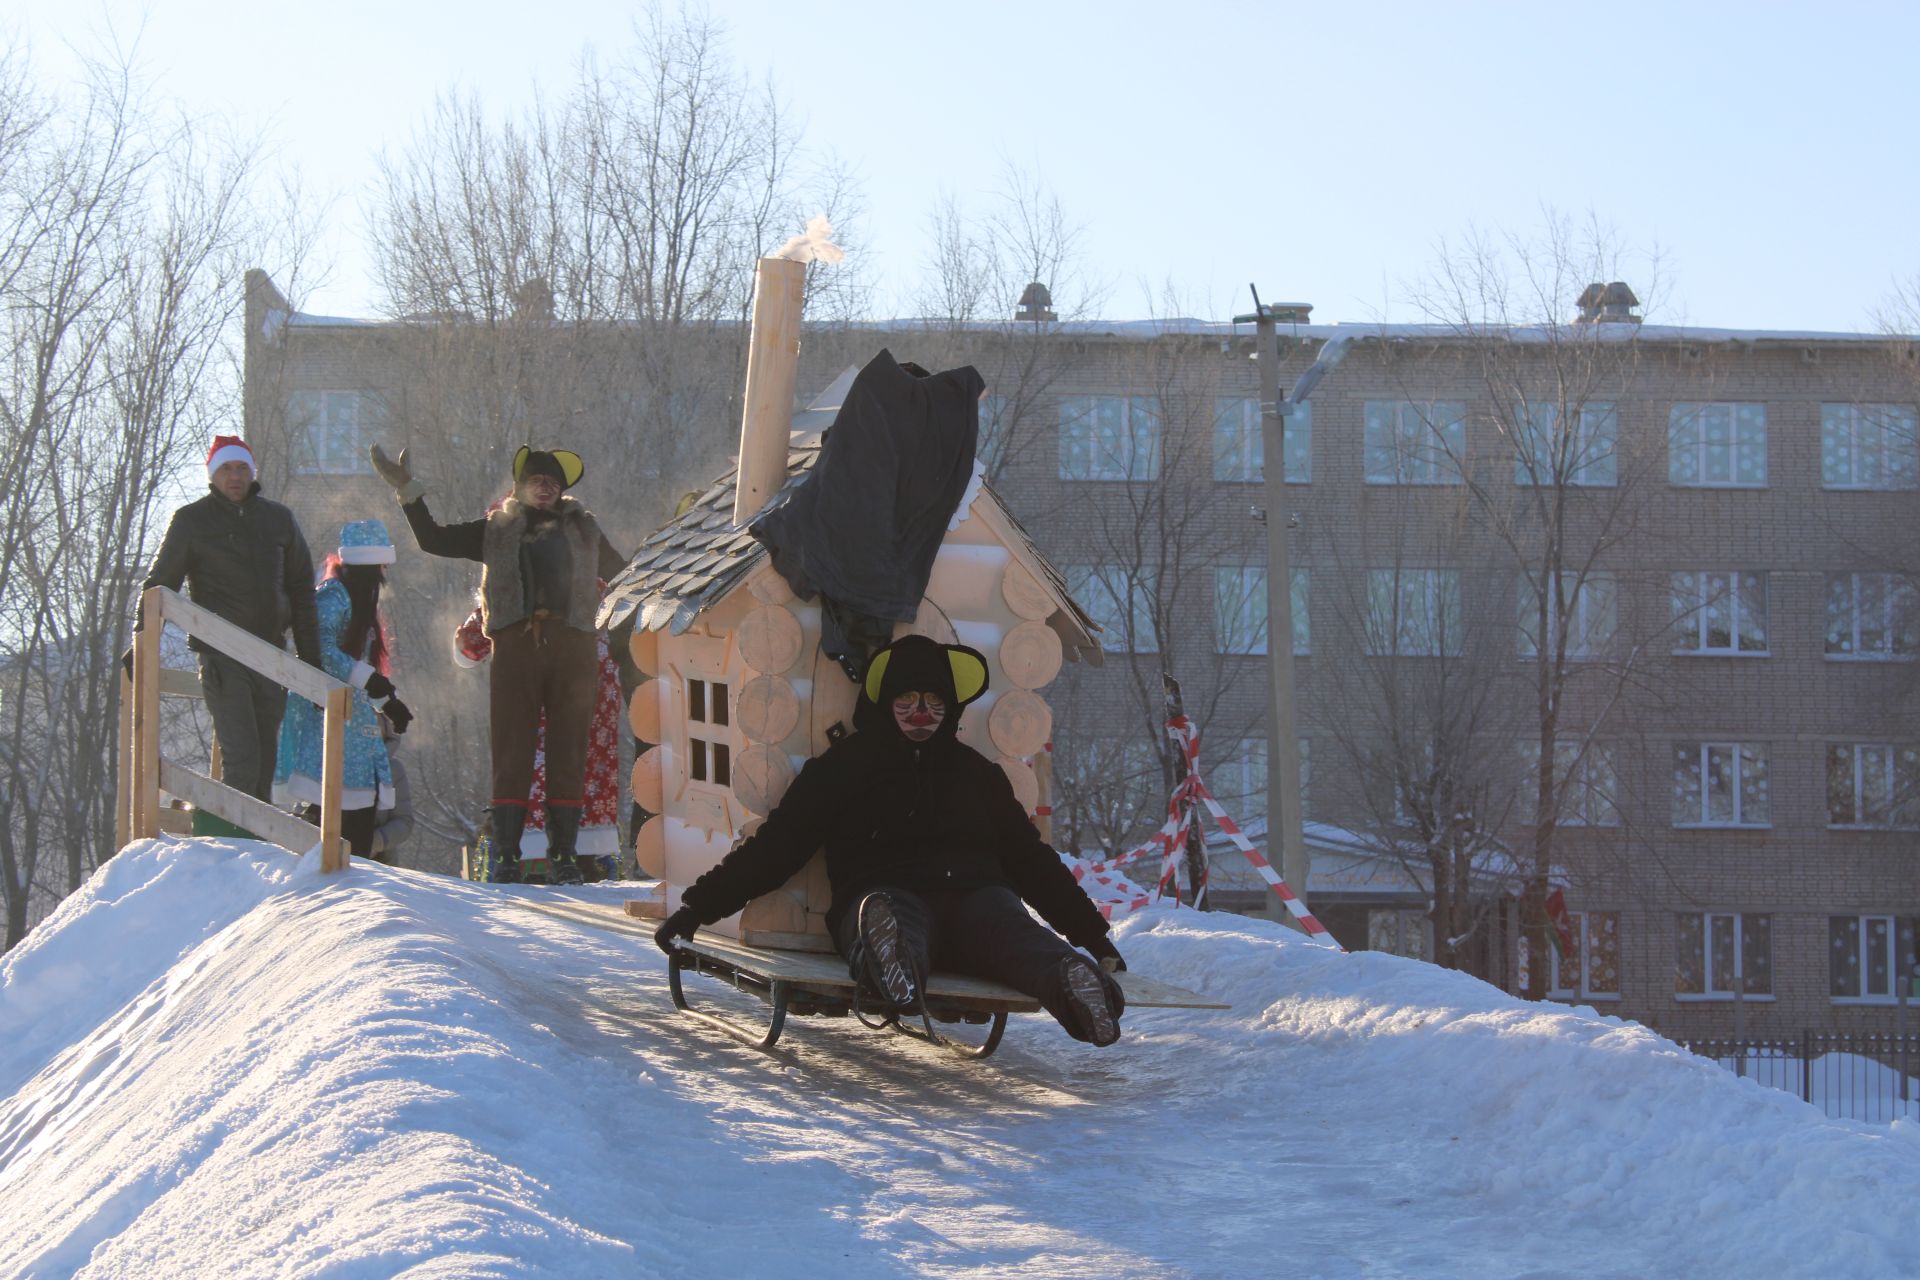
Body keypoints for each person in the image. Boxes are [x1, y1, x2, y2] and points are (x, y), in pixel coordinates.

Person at [653, 634, 1128, 1046]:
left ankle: (1077, 987)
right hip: (883, 892)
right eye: (908, 700)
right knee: (886, 918)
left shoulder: (976, 774)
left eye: (934, 701)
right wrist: (699, 908)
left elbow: (1030, 860)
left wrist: (1092, 937)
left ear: (951, 705)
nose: (921, 713)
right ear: (885, 702)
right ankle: (892, 962)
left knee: (1017, 936)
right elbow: (779, 847)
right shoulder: (844, 769)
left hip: (976, 899)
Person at [370, 442, 627, 885]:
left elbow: (623, 573)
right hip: (516, 646)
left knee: (570, 750)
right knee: (512, 748)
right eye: (535, 481)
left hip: (574, 648)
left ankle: (564, 856)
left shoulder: (585, 529)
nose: (544, 488)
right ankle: (507, 855)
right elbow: (434, 539)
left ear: (562, 490)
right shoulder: (497, 528)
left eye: (551, 482)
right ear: (520, 487)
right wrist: (408, 490)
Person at [130, 435, 322, 806]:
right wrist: (142, 643)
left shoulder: (278, 520)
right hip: (222, 657)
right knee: (243, 763)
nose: (234, 476)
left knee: (265, 767)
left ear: (252, 473)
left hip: (272, 658)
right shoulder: (191, 521)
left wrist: (312, 663)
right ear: (212, 475)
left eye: (241, 468)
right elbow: (159, 586)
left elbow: (301, 591)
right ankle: (231, 850)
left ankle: (251, 853)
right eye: (225, 469)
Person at [454, 594, 624, 882]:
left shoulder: (516, 588)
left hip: (533, 758)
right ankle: (573, 863)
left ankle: (515, 861)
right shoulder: (603, 592)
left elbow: (466, 649)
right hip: (592, 763)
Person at [274, 521, 414, 859]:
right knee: (335, 816)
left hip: (355, 729)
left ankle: (353, 889)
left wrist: (387, 702)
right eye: (379, 567)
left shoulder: (358, 602)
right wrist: (371, 680)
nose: (383, 575)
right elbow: (318, 648)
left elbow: (359, 668)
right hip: (329, 724)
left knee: (357, 826)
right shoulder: (335, 596)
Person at [370, 714, 414, 866]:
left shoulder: (394, 770)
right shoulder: (332, 761)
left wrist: (377, 841)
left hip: (380, 863)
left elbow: (404, 820)